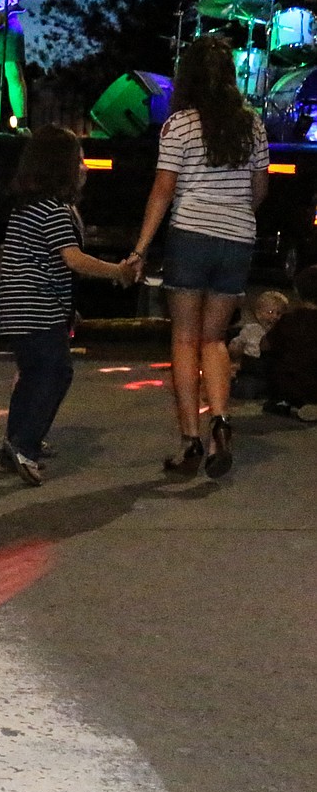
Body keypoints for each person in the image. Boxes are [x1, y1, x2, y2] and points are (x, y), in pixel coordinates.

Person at [130, 35, 270, 479]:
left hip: (190, 235)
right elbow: (259, 191)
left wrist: (140, 248)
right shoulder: (253, 125)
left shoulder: (180, 125)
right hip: (237, 238)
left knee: (185, 339)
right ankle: (222, 423)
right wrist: (234, 218)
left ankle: (191, 439)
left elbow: (163, 190)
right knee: (214, 339)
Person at [0, 125, 137, 485]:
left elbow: (44, 264)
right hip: (38, 308)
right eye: (80, 159)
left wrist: (66, 307)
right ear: (62, 167)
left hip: (21, 309)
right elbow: (73, 260)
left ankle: (15, 441)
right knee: (56, 373)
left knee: (31, 376)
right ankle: (24, 446)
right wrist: (117, 271)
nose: (86, 166)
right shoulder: (55, 211)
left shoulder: (26, 207)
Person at [263, 264, 317, 421]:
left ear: (297, 291)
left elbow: (264, 345)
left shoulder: (289, 320)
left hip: (289, 384)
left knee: (271, 359)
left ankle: (282, 402)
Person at [229, 289, 286, 400]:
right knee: (247, 387)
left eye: (278, 313)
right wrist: (235, 349)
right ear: (259, 313)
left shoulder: (280, 332)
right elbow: (236, 345)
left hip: (268, 369)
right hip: (250, 368)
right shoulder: (251, 329)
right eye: (270, 312)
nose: (274, 317)